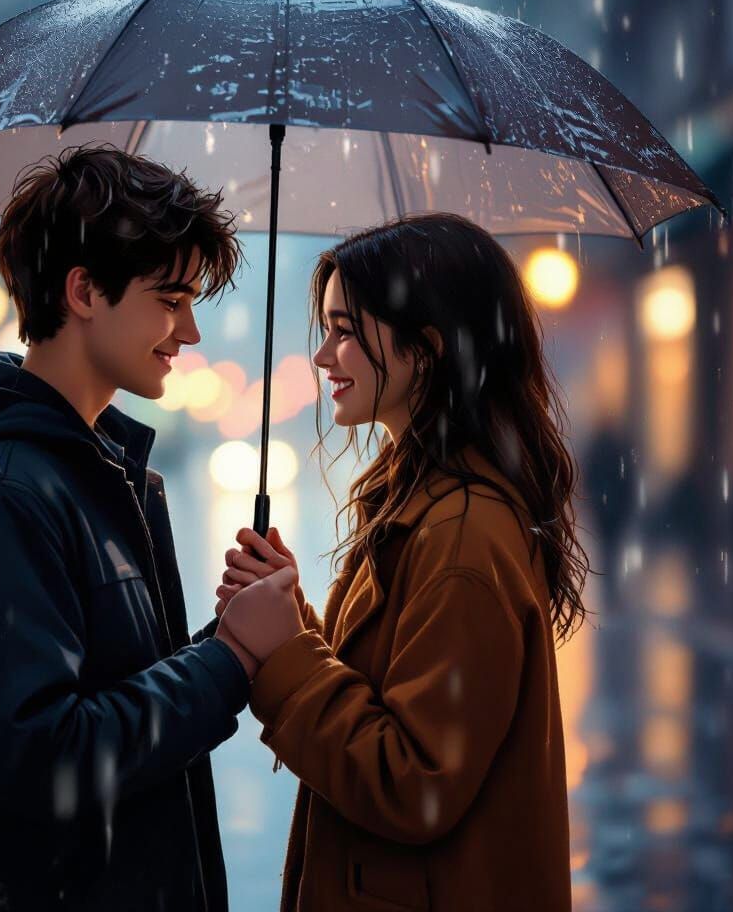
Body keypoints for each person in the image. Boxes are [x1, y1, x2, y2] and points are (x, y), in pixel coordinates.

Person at [0, 144, 269, 911]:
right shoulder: (3, 500)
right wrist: (227, 662)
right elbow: (46, 759)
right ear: (83, 291)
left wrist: (228, 636)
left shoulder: (108, 476)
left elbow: (118, 694)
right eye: (170, 299)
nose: (190, 331)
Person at [214, 213, 588, 911]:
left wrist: (289, 657)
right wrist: (294, 622)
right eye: (326, 330)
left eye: (345, 331)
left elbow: (413, 784)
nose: (323, 357)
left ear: (425, 350)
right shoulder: (421, 504)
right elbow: (387, 695)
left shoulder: (462, 539)